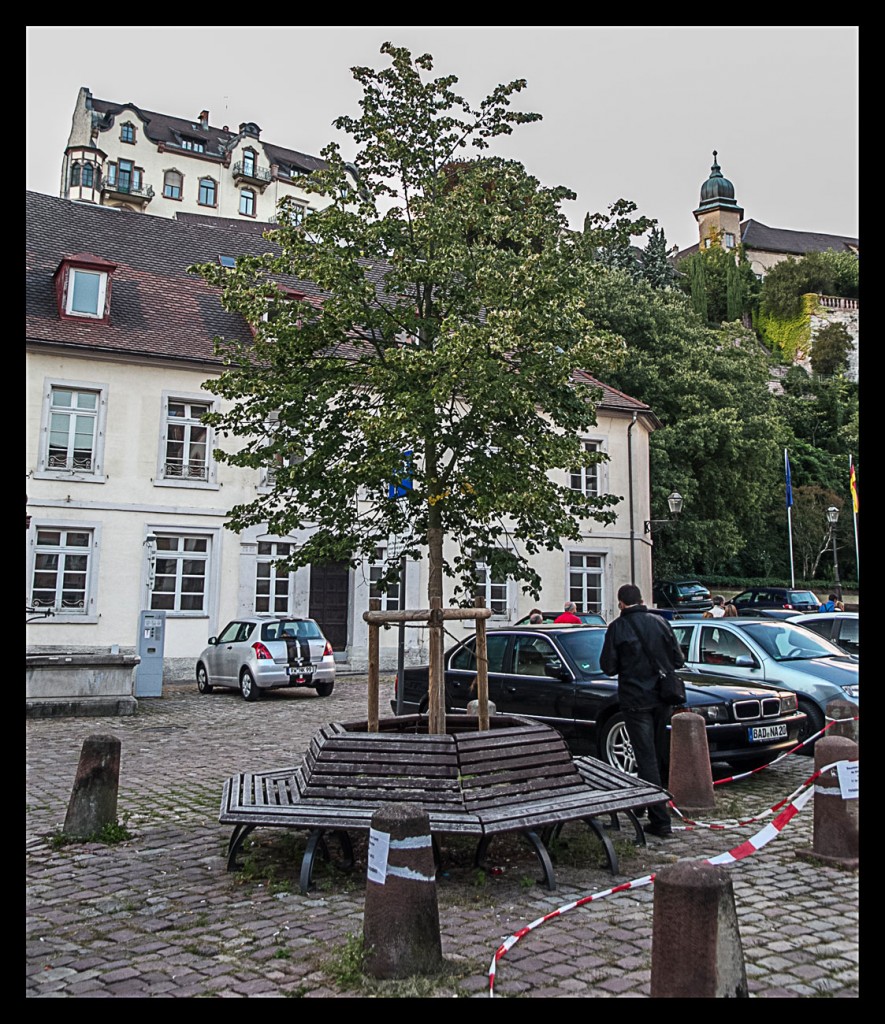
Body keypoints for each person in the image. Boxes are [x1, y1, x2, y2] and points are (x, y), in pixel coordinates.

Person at [600, 583, 685, 838]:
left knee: (645, 756)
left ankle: (660, 819)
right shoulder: (660, 622)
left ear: (621, 603)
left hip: (636, 698)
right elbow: (678, 659)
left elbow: (608, 666)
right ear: (640, 599)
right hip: (663, 696)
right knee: (657, 754)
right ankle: (646, 805)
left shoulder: (618, 627)